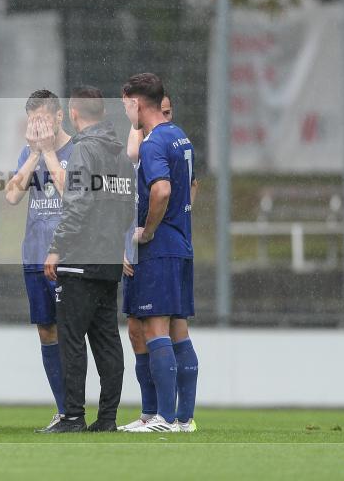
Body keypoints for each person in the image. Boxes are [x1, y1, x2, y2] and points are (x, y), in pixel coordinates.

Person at [42, 86, 135, 433]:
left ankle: (73, 417)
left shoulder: (84, 151)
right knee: (107, 341)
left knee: (71, 339)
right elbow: (128, 207)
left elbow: (77, 203)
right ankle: (107, 418)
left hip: (79, 260)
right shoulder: (120, 155)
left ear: (73, 112)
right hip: (108, 260)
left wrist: (57, 247)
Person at [121, 73, 198, 433]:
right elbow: (189, 185)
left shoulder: (153, 143)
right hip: (181, 243)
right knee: (178, 329)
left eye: (126, 105)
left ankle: (164, 418)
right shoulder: (179, 136)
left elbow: (162, 191)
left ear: (137, 103)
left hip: (161, 246)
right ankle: (182, 419)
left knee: (156, 329)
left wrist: (147, 231)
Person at [4, 89, 74, 431]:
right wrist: (34, 154)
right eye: (33, 121)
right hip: (34, 254)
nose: (38, 127)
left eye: (43, 120)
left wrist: (47, 152)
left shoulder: (77, 151)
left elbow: (69, 194)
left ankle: (77, 410)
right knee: (46, 329)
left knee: (72, 332)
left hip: (68, 257)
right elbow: (13, 195)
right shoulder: (26, 153)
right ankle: (63, 411)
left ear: (59, 117)